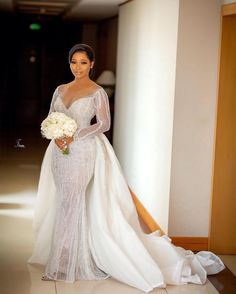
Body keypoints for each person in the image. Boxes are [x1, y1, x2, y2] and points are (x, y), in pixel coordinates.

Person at [28, 43, 225, 292]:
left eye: (83, 62)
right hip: (59, 154)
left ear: (92, 64)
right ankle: (69, 255)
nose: (78, 67)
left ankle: (64, 263)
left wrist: (74, 135)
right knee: (64, 201)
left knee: (72, 201)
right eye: (74, 62)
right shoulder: (60, 89)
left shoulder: (96, 91)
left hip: (83, 152)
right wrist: (54, 133)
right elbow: (49, 117)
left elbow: (104, 124)